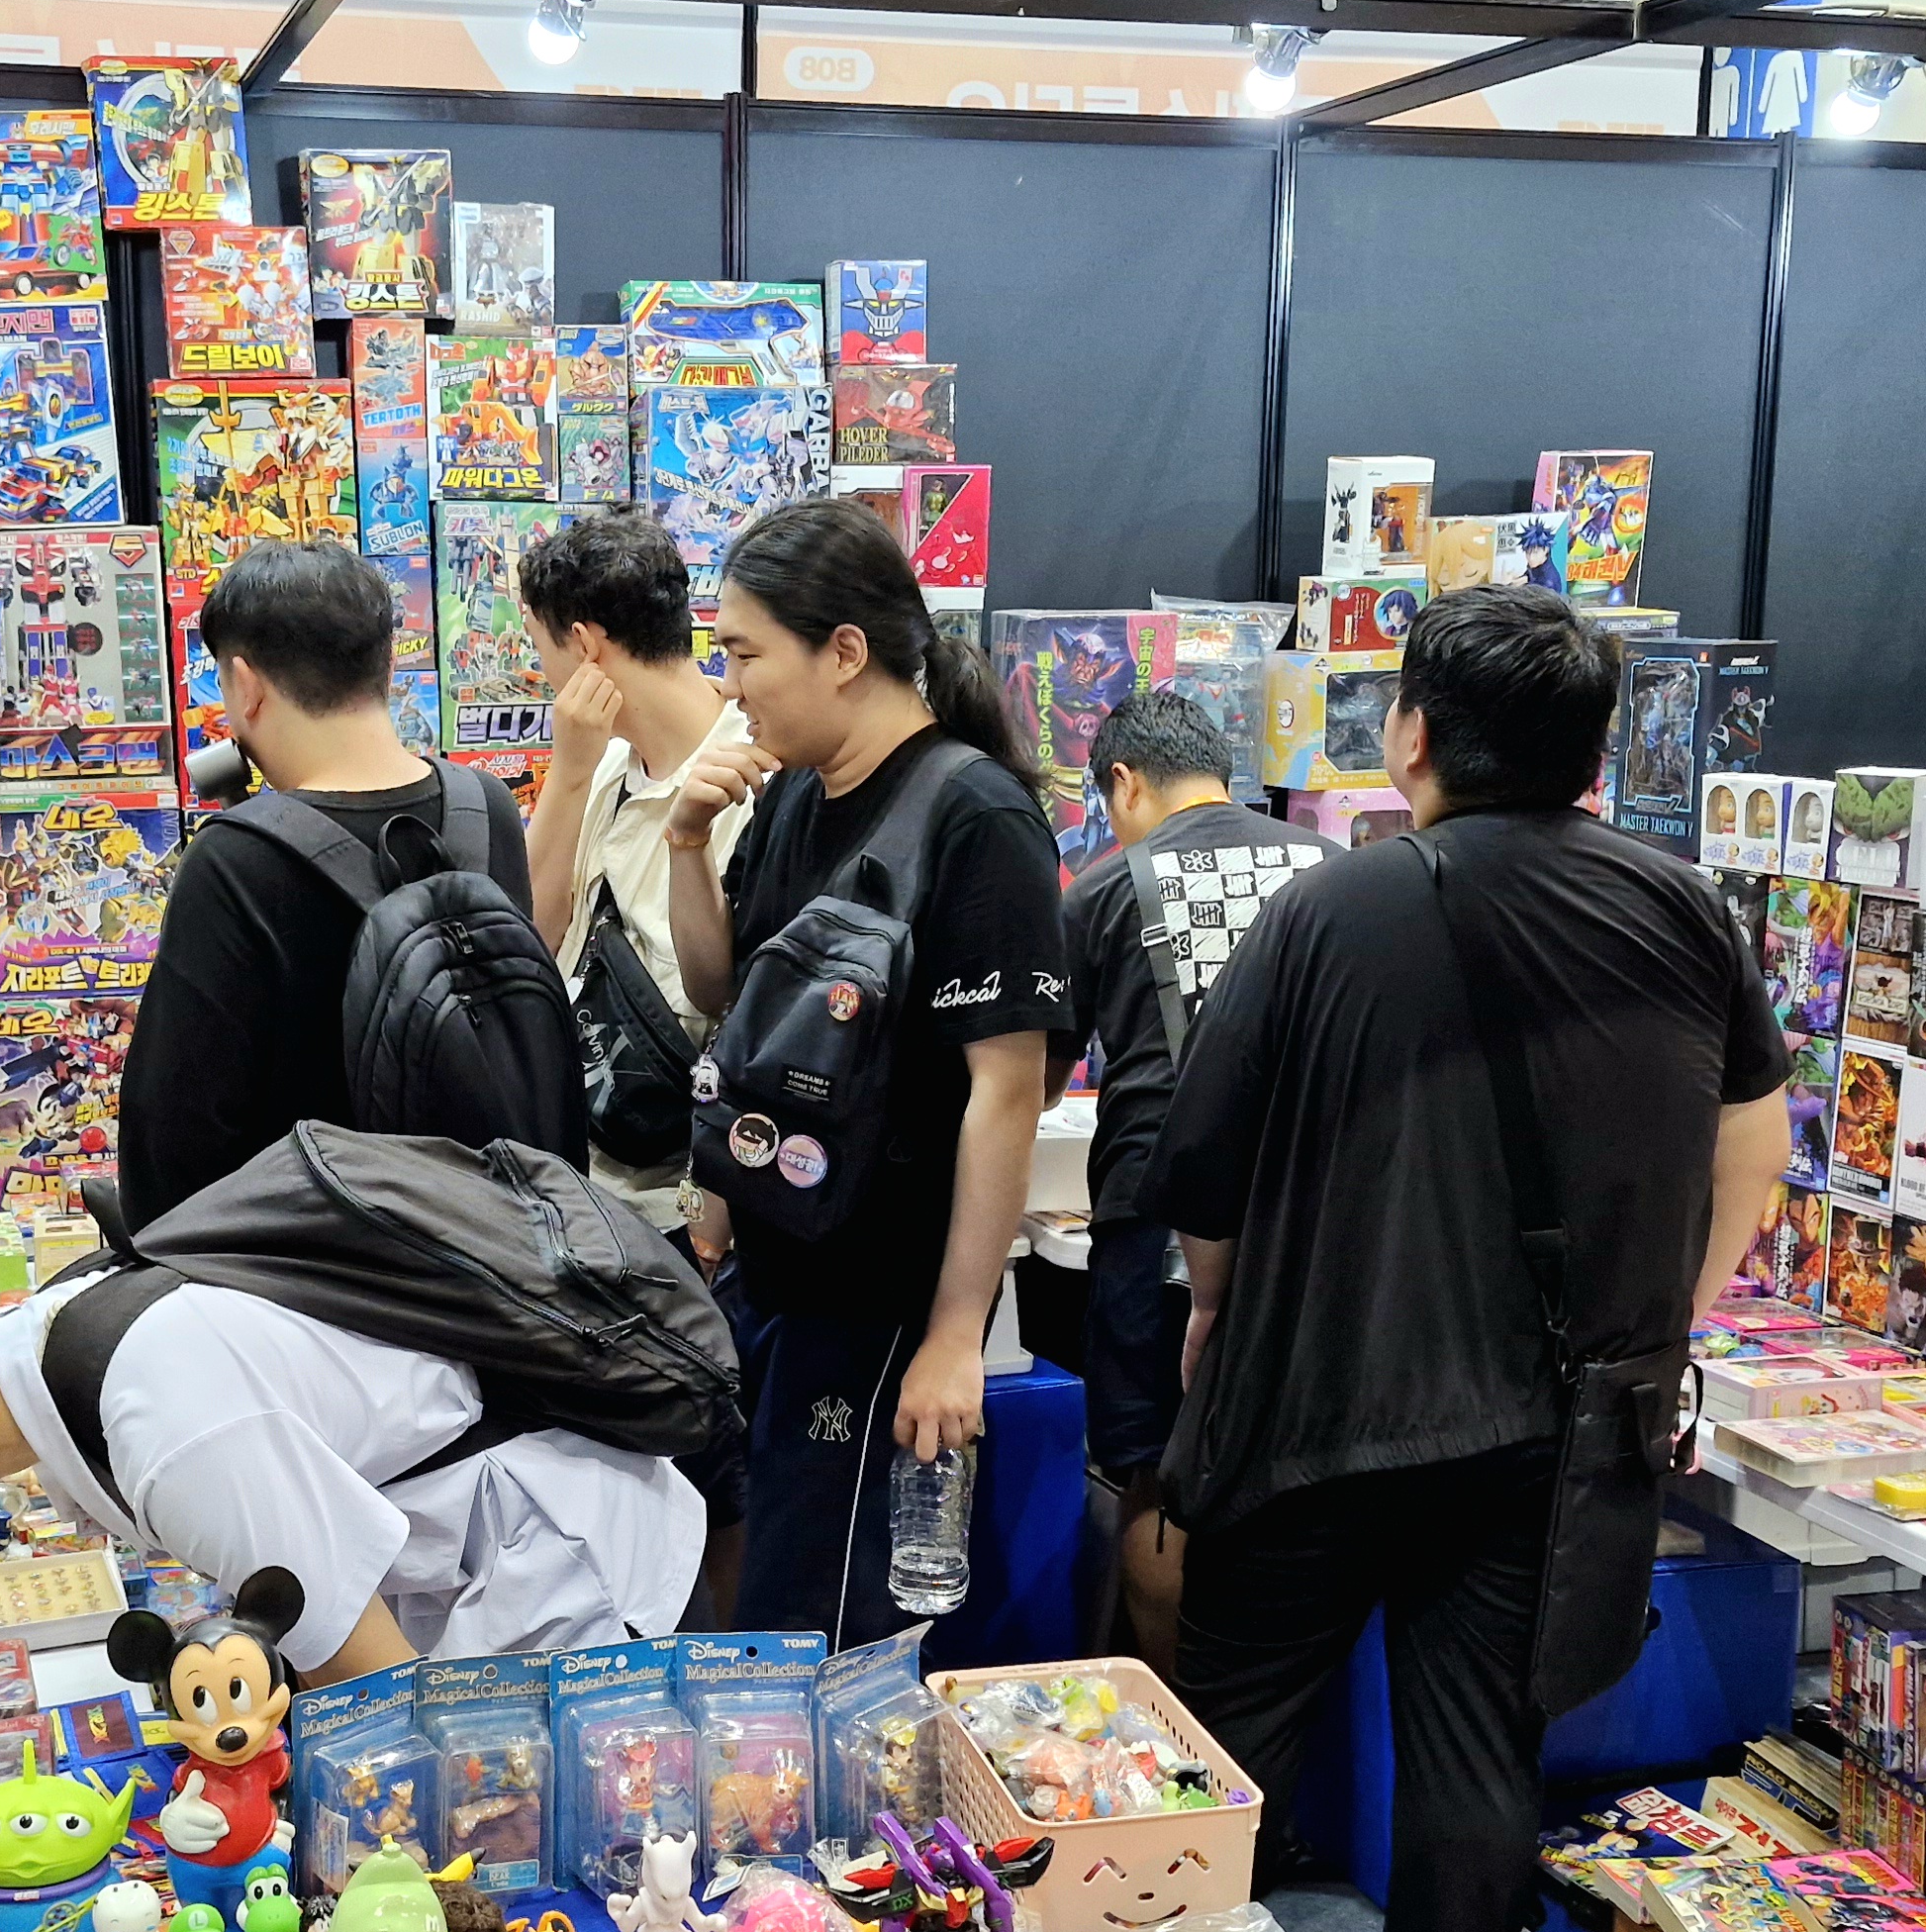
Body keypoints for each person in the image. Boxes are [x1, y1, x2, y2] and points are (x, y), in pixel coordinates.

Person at [1148, 586, 1789, 1932]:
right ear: (1598, 751)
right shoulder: (1684, 909)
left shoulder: (1330, 906)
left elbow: (1203, 1161)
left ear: (1414, 734)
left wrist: (1211, 1310)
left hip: (1320, 1399)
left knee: (1223, 1730)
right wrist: (1657, 1325)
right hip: (1554, 1425)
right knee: (1480, 1742)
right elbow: (1753, 1160)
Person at [0, 1220, 700, 1682]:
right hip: (467, 1577)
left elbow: (381, 1706)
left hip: (564, 1569)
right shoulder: (64, 1372)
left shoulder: (156, 1413)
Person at [663, 498, 1065, 1645]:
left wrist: (954, 1334)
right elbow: (722, 993)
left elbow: (1007, 1091)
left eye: (746, 654)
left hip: (886, 1305)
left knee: (831, 1632)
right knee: (774, 1603)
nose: (730, 686)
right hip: (782, 1280)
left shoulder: (973, 816)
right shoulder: (795, 789)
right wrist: (684, 842)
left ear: (844, 651)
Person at [115, 543, 534, 1237]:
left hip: (314, 1264)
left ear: (245, 685)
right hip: (494, 1245)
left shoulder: (235, 859)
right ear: (387, 666)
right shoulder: (486, 807)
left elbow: (173, 1138)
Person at [1055, 690, 1323, 1680]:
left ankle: (1180, 1722)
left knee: (1155, 1478)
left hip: (1154, 1212)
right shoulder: (1331, 870)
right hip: (1312, 1222)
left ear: (1123, 783)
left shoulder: (1102, 890)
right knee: (1295, 1485)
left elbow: (1038, 1076)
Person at [519, 505, 750, 1244]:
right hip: (586, 1183)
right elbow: (533, 937)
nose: (541, 673)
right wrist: (569, 773)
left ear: (585, 646)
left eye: (542, 650)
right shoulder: (602, 763)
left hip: (691, 1204)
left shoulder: (749, 776)